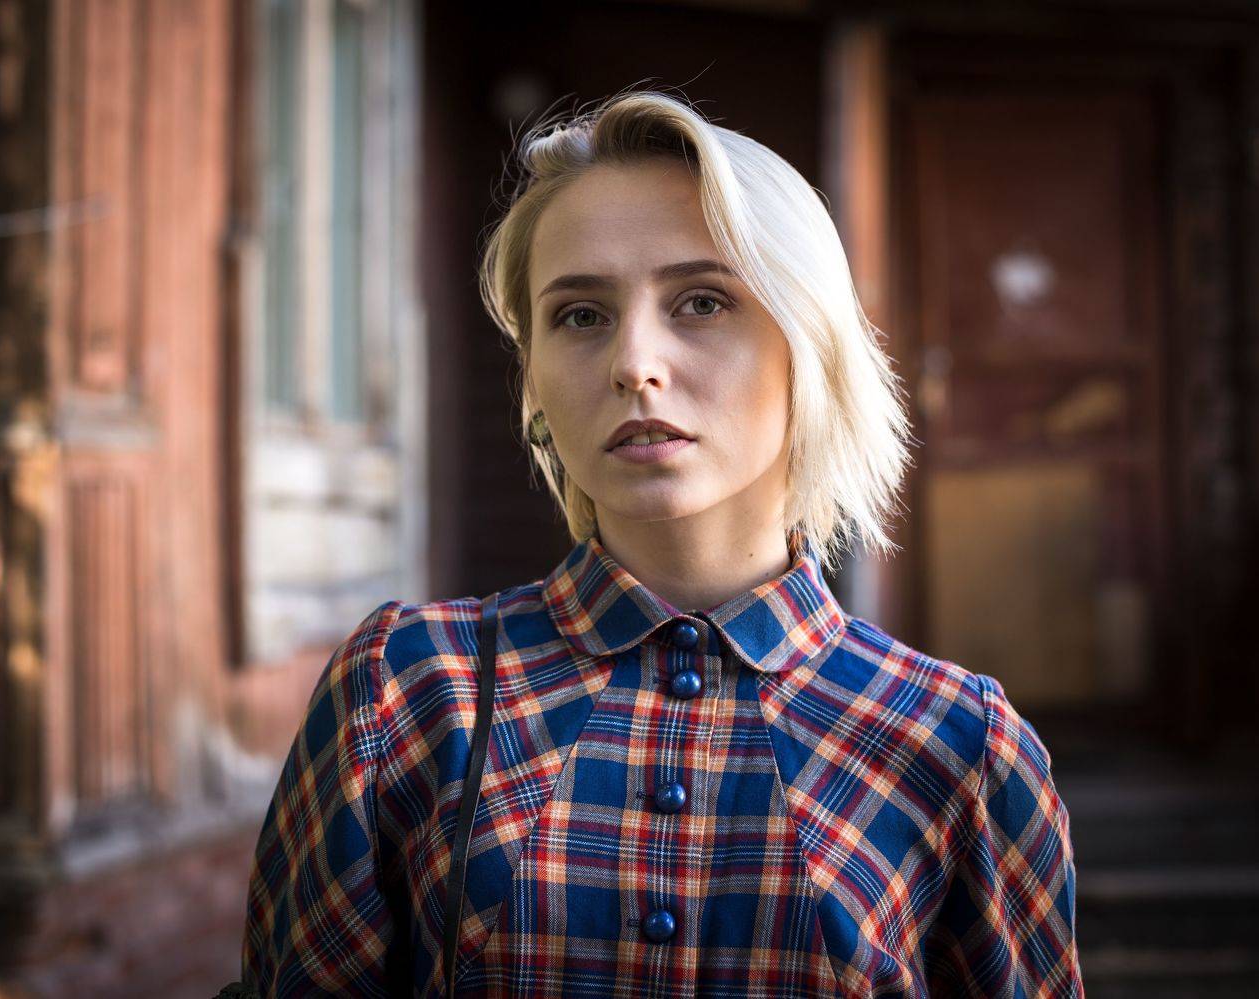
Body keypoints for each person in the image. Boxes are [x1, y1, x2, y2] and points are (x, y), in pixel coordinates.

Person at [230, 88, 1081, 997]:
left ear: (811, 347)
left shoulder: (958, 745)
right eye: (580, 315)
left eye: (702, 301)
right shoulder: (406, 689)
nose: (634, 363)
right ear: (535, 378)